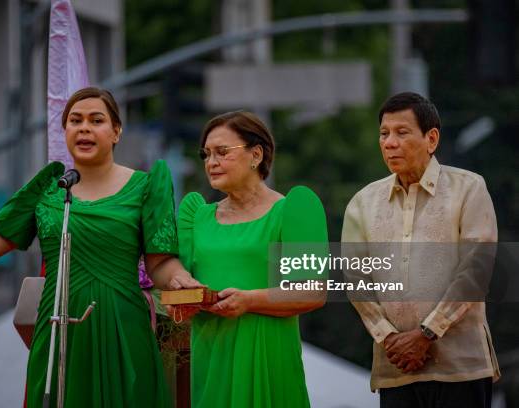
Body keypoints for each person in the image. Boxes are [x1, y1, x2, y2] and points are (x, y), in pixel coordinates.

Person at [0, 87, 200, 407]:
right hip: (58, 329)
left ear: (116, 131)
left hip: (123, 329)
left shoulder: (146, 186)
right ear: (65, 131)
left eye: (96, 120)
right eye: (75, 120)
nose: (84, 127)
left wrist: (180, 277)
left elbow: (161, 262)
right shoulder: (49, 187)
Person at [342, 92, 499, 407]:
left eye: (402, 133)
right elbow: (355, 280)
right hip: (396, 368)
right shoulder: (363, 202)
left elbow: (475, 270)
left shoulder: (469, 188)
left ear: (432, 138)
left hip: (460, 368)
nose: (389, 142)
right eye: (384, 134)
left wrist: (427, 333)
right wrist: (389, 338)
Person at [175, 111, 327, 408]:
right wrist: (179, 293)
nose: (211, 162)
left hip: (268, 356)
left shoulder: (294, 210)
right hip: (211, 356)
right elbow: (178, 281)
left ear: (256, 154)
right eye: (206, 154)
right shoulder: (196, 215)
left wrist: (249, 300)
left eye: (222, 152)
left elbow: (313, 291)